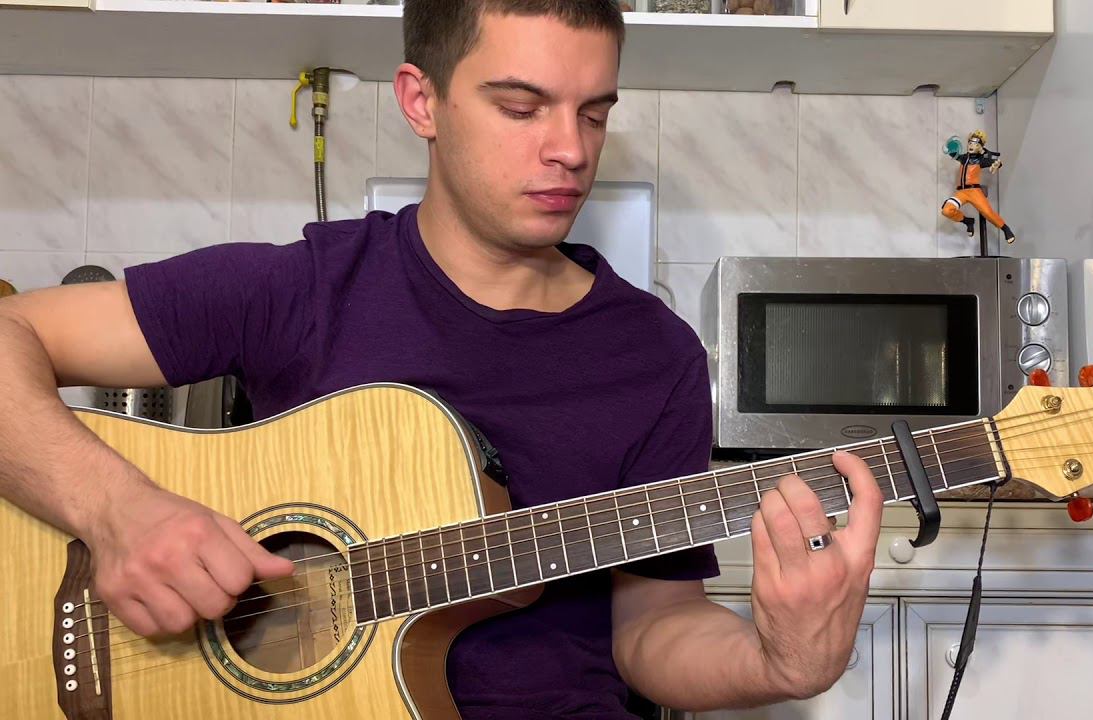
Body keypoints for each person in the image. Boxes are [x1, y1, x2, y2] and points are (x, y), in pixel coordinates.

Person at [0, 1, 883, 717]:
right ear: (421, 101)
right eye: (521, 107)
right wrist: (117, 510)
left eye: (594, 112)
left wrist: (779, 662)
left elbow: (654, 628)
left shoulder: (656, 357)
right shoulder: (304, 288)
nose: (571, 149)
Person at [941, 129, 1017, 244]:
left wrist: (996, 164)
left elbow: (995, 161)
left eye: (975, 143)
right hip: (961, 192)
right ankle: (967, 221)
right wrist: (948, 148)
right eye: (970, 143)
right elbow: (953, 153)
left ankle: (1005, 228)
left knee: (987, 212)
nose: (971, 145)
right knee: (947, 210)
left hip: (974, 191)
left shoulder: (981, 159)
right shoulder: (964, 158)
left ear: (980, 146)